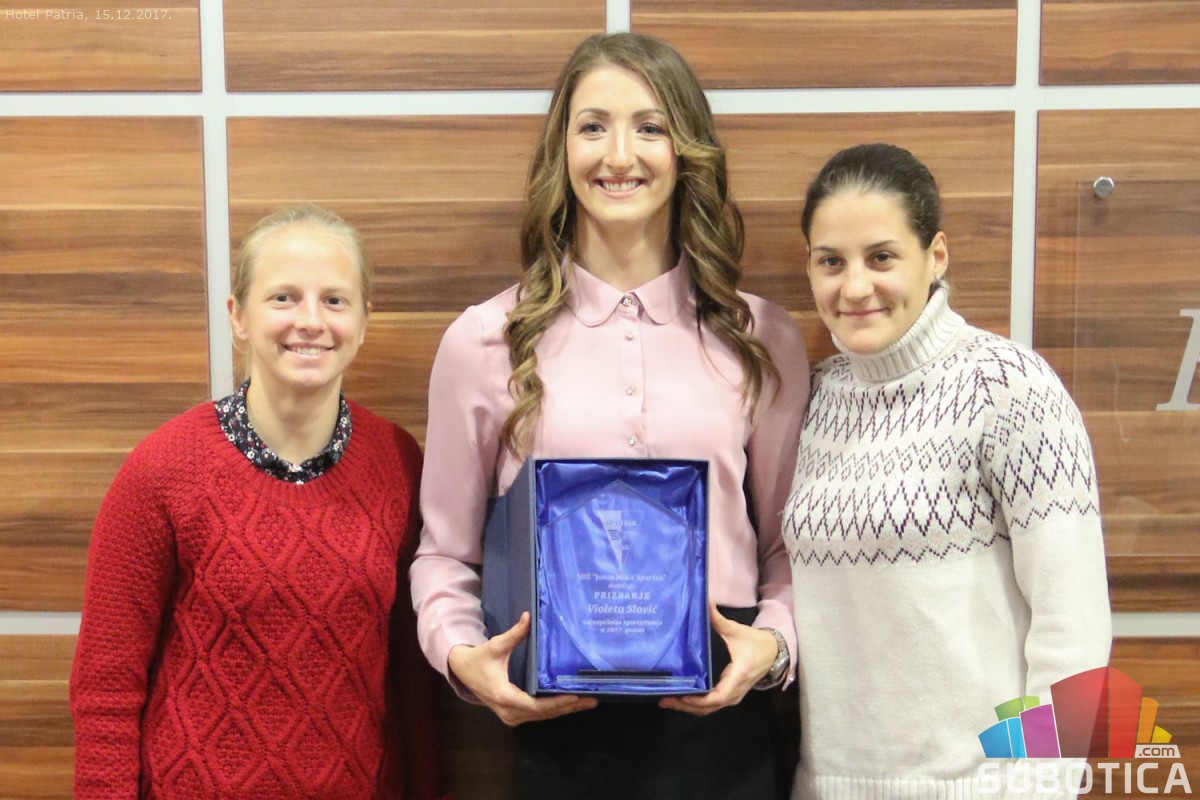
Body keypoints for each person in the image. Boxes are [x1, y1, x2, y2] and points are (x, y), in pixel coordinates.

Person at [410, 32, 809, 800]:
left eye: (650, 127)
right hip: (559, 734)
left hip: (723, 732)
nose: (619, 155)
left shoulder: (763, 337)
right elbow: (444, 555)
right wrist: (462, 657)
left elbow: (789, 550)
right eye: (593, 126)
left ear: (686, 151)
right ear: (560, 150)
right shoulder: (485, 341)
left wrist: (776, 644)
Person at [70, 205, 446, 800]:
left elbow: (414, 683)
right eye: (283, 298)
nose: (310, 321)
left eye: (335, 300)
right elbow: (106, 687)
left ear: (363, 322)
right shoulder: (162, 471)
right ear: (238, 316)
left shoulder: (398, 463)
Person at [783, 143, 1112, 799]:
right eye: (831, 261)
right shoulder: (810, 399)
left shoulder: (1011, 390)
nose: (854, 287)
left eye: (882, 257)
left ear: (935, 256)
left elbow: (1073, 633)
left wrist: (1040, 789)